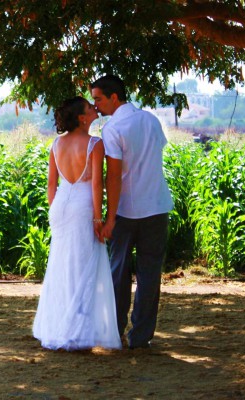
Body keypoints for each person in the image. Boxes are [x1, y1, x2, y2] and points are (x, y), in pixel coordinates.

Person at [32, 96, 122, 351]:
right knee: (83, 265)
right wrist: (98, 216)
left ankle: (60, 326)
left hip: (60, 205)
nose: (94, 108)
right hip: (82, 206)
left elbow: (51, 185)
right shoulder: (95, 144)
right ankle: (77, 332)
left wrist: (56, 213)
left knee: (62, 265)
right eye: (89, 107)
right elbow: (97, 184)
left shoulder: (56, 145)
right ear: (82, 118)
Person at [90, 75, 174, 349]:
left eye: (98, 99)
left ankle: (114, 331)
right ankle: (141, 336)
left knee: (118, 272)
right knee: (150, 273)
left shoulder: (113, 129)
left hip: (127, 210)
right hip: (157, 206)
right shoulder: (151, 120)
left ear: (114, 97)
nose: (96, 105)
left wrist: (110, 218)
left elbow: (113, 177)